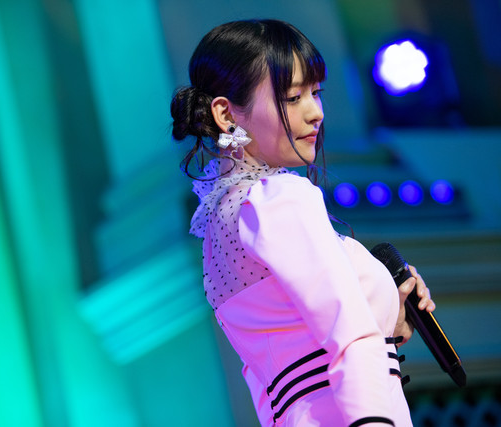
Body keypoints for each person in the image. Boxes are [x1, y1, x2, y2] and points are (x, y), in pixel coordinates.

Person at [170, 19, 436, 426]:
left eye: (316, 93)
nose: (316, 113)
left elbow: (287, 367)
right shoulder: (281, 198)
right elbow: (351, 338)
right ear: (225, 113)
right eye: (293, 97)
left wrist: (389, 314)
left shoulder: (221, 226)